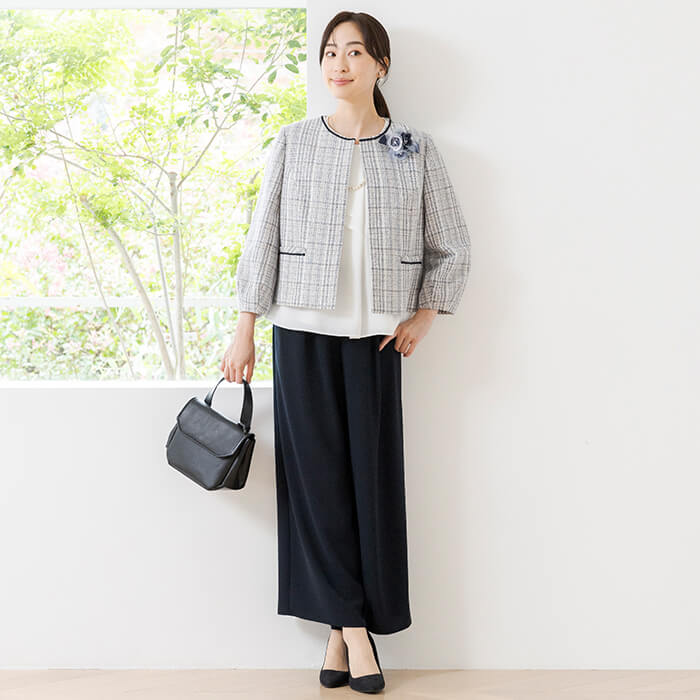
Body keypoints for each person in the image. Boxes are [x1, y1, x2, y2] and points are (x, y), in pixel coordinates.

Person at [220, 10, 471, 694]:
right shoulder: (295, 141)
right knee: (316, 484)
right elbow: (263, 236)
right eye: (331, 52)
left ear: (380, 65)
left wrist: (426, 315)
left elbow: (453, 244)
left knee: (371, 484)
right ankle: (357, 633)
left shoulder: (416, 148)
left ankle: (341, 629)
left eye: (355, 52)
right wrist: (244, 327)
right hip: (299, 332)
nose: (340, 63)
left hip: (378, 337)